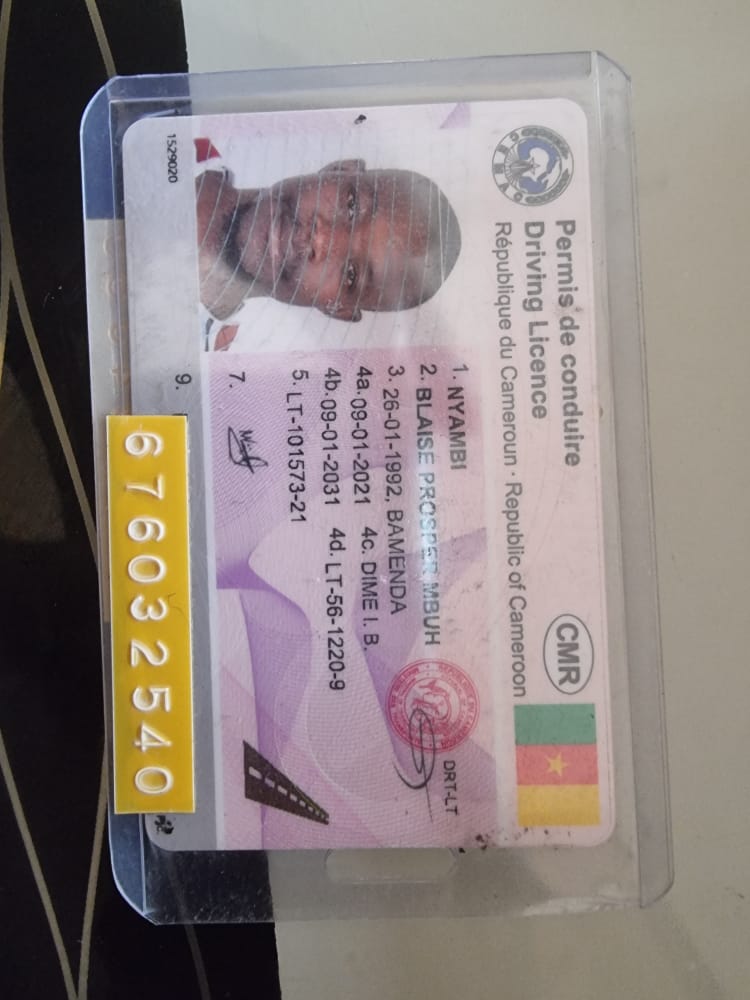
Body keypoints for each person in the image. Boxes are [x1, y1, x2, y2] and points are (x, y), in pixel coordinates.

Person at [195, 141, 462, 327]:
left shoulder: (196, 366)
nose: (320, 240)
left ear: (337, 309)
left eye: (351, 276)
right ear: (340, 169)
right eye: (351, 205)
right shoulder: (193, 144)